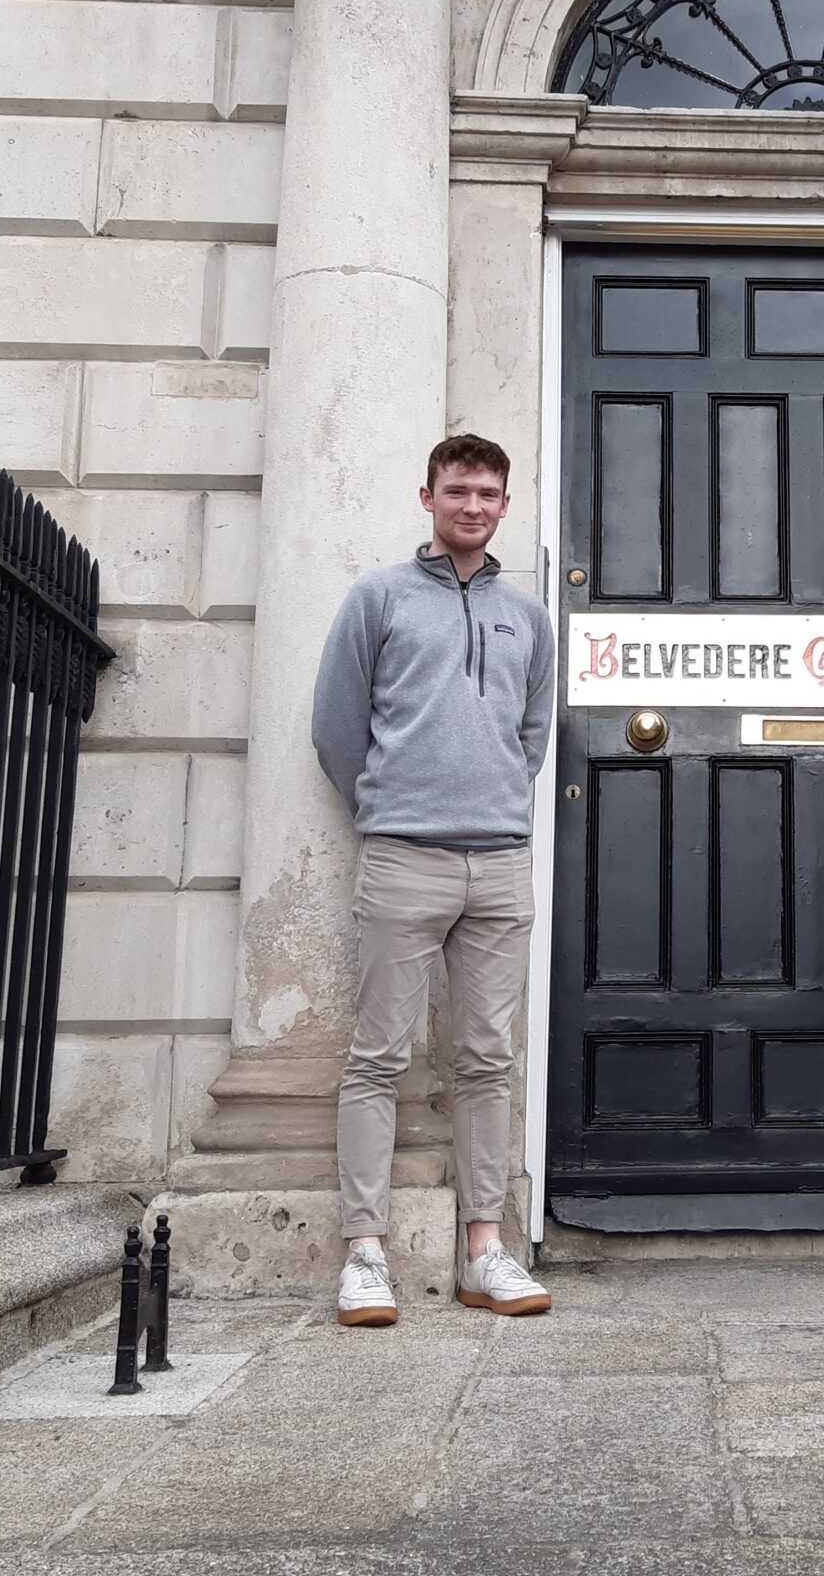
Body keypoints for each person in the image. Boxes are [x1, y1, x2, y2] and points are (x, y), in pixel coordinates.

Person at [313, 433, 557, 1329]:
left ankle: (486, 1250)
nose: (475, 506)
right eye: (459, 491)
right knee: (379, 1056)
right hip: (404, 855)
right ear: (428, 497)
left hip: (499, 861)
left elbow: (533, 734)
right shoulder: (378, 598)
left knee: (487, 1059)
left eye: (490, 494)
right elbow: (338, 729)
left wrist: (488, 798)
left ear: (503, 504)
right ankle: (365, 1253)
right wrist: (391, 803)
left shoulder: (529, 616)